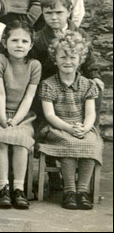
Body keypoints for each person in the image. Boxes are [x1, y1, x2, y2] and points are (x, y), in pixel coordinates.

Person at [37, 31, 103, 210]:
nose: (68, 61)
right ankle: (69, 191)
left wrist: (85, 128)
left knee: (90, 144)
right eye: (63, 56)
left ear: (81, 59)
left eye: (73, 57)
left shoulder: (88, 85)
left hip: (82, 125)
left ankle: (82, 191)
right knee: (69, 143)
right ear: (55, 59)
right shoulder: (48, 85)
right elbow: (50, 115)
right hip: (58, 127)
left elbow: (90, 114)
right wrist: (68, 128)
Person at [0, 21, 41, 209]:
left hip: (23, 116)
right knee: (1, 138)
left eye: (24, 41)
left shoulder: (34, 65)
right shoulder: (0, 62)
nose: (19, 45)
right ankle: (3, 188)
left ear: (31, 45)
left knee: (20, 140)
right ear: (4, 42)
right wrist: (3, 120)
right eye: (14, 40)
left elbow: (29, 96)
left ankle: (19, 188)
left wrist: (16, 120)